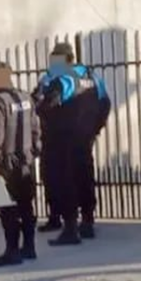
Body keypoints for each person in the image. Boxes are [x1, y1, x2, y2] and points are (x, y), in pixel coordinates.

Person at [33, 42, 110, 245]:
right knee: (84, 177)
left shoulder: (61, 78)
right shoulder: (91, 76)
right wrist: (95, 129)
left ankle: (70, 229)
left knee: (64, 181)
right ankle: (87, 222)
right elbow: (105, 103)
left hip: (62, 139)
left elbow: (45, 104)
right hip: (84, 139)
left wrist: (44, 117)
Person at [0, 62, 40, 267]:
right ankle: (29, 247)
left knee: (7, 209)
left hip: (5, 165)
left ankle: (12, 251)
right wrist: (33, 153)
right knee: (26, 205)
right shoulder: (26, 98)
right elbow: (36, 130)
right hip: (26, 161)